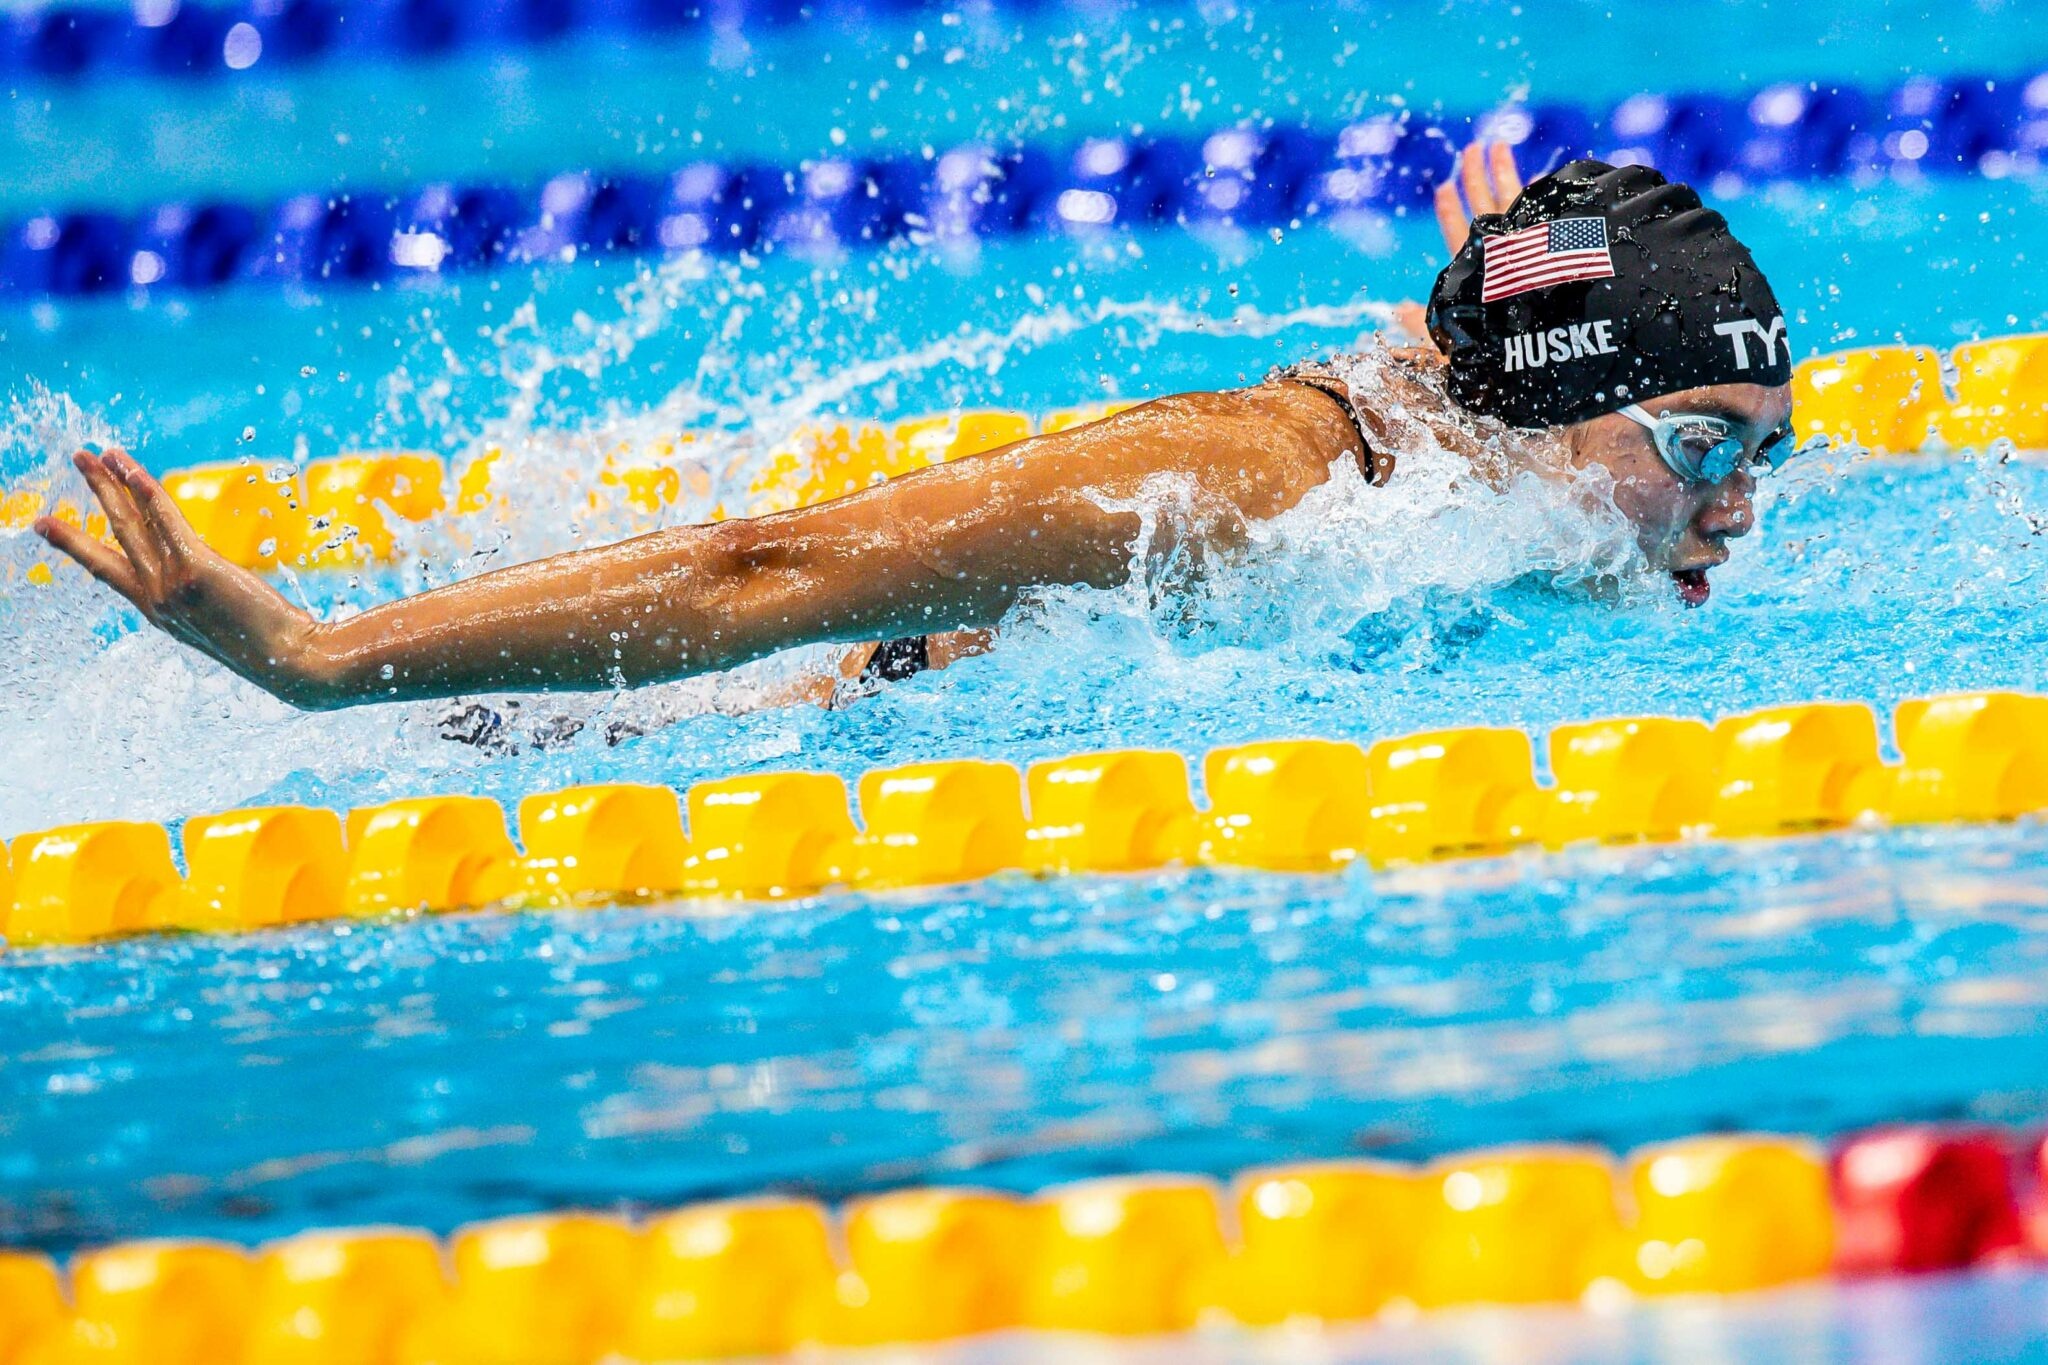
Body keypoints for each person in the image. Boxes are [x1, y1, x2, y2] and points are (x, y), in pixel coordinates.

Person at [35, 149, 1797, 713]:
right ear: (1564, 409)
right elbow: (765, 565)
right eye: (1706, 447)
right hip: (632, 738)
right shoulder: (1259, 495)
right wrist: (309, 651)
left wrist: (1523, 271)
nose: (1734, 509)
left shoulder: (1503, 431)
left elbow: (1504, 350)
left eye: (1760, 456)